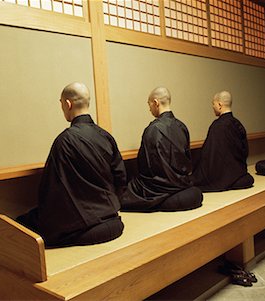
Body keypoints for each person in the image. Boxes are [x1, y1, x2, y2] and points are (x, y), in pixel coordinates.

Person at [16, 82, 127, 247]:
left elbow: (51, 191)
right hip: (112, 220)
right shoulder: (106, 136)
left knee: (22, 223)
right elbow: (120, 177)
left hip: (85, 226)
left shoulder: (64, 141)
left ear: (68, 104)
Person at [121, 87, 203, 212]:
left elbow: (145, 166)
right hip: (181, 182)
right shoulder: (182, 126)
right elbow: (187, 159)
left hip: (159, 186)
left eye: (149, 104)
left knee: (126, 194)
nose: (149, 109)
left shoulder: (152, 129)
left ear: (156, 102)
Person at [192, 91, 254, 192]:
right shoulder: (238, 124)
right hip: (238, 173)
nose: (213, 107)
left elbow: (208, 155)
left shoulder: (217, 126)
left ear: (220, 105)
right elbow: (244, 151)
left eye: (213, 104)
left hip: (222, 176)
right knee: (247, 180)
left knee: (195, 180)